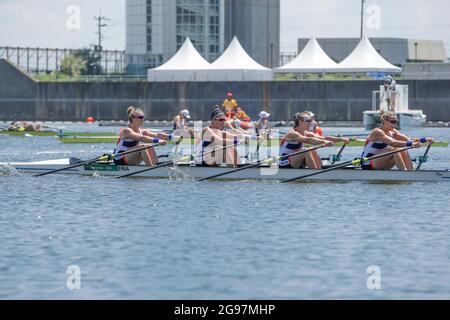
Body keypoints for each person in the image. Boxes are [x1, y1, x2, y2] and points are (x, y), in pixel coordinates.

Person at [361, 110, 433, 171]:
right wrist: (411, 144)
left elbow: (408, 140)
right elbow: (393, 143)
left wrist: (424, 139)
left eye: (395, 122)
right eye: (392, 121)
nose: (394, 124)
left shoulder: (393, 132)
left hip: (380, 162)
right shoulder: (377, 132)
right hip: (367, 162)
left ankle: (411, 171)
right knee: (394, 149)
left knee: (402, 150)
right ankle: (404, 173)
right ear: (384, 121)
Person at [113, 106, 179, 166]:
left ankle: (156, 165)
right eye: (140, 117)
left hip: (129, 158)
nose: (142, 119)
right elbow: (142, 138)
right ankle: (151, 168)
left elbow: (157, 135)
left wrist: (173, 137)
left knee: (148, 146)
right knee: (143, 146)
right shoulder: (126, 131)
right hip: (119, 159)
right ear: (132, 119)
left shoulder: (142, 131)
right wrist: (158, 141)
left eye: (143, 117)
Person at [279, 112, 348, 169]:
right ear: (300, 122)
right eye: (308, 121)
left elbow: (324, 138)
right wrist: (324, 142)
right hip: (284, 162)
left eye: (311, 121)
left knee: (312, 150)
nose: (310, 123)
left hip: (295, 161)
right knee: (306, 151)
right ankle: (315, 173)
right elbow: (309, 140)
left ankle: (320, 169)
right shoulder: (292, 134)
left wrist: (341, 139)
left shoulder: (306, 133)